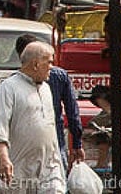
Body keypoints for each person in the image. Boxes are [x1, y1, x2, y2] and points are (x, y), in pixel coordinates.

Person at [0, 41, 65, 194]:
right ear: (36, 64)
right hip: (17, 170)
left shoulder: (46, 89)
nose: (52, 67)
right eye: (49, 62)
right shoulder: (8, 88)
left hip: (49, 169)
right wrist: (4, 159)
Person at [14, 34, 83, 169]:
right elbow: (73, 113)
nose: (50, 67)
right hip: (54, 142)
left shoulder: (12, 83)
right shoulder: (59, 76)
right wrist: (77, 144)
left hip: (28, 146)